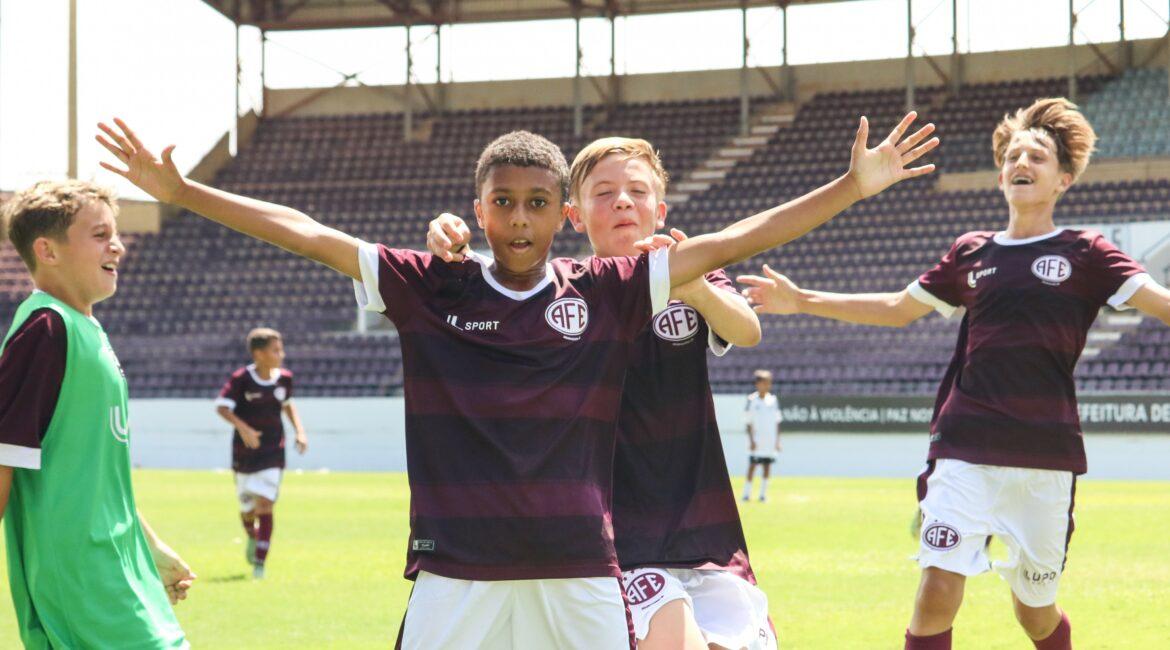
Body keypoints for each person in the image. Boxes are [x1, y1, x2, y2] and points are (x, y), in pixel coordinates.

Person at [97, 112, 935, 649]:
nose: (523, 219)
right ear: (482, 207)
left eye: (538, 201)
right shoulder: (433, 283)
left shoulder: (602, 292)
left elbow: (730, 245)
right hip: (457, 569)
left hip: (580, 568)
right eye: (507, 202)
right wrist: (182, 193)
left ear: (553, 213)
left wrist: (851, 187)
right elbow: (307, 232)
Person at [738, 97, 1170, 650]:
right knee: (936, 590)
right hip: (965, 445)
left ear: (1063, 178)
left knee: (1035, 612)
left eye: (1037, 156)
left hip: (1045, 458)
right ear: (1000, 175)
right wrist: (802, 301)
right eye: (1015, 154)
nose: (1023, 162)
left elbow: (1159, 302)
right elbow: (898, 308)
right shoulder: (972, 251)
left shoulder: (1087, 252)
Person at [425, 136, 776, 649]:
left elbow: (747, 330)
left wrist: (692, 284)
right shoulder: (566, 290)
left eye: (637, 190)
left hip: (706, 534)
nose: (623, 202)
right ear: (574, 215)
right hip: (618, 540)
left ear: (661, 208)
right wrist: (450, 239)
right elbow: (495, 281)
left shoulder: (695, 272)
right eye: (604, 192)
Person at [0, 180, 193, 649]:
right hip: (82, 582)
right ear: (47, 250)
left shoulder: (87, 331)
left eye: (116, 233)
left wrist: (149, 549)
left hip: (118, 572)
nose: (119, 246)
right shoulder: (45, 330)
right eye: (100, 234)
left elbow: (94, 475)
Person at [215, 326, 308, 579]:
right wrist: (244, 429)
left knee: (265, 504)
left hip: (272, 452)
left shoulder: (284, 378)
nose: (282, 354)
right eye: (275, 350)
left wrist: (299, 431)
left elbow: (287, 405)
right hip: (245, 454)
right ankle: (251, 536)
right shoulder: (241, 379)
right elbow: (222, 407)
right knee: (247, 508)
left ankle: (259, 564)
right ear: (258, 354)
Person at [744, 369, 782, 503]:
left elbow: (777, 422)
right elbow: (748, 423)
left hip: (769, 440)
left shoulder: (773, 400)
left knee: (767, 466)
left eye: (768, 383)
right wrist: (751, 440)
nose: (766, 386)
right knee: (753, 465)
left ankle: (762, 494)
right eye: (764, 383)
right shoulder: (752, 400)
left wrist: (777, 441)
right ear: (757, 384)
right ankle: (746, 494)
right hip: (757, 440)